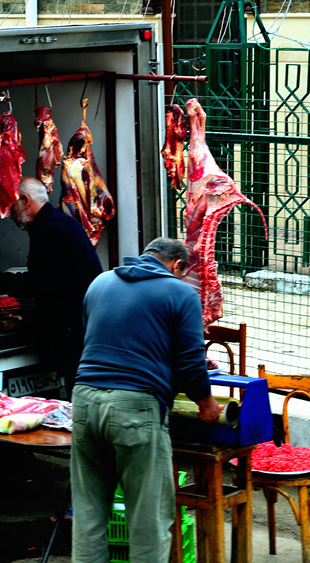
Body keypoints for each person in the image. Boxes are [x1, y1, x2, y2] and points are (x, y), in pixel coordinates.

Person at [71, 237, 221, 563]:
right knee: (148, 519)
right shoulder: (180, 293)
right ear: (177, 265)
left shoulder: (100, 282)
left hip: (84, 401)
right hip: (135, 408)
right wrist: (206, 403)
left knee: (88, 513)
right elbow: (190, 361)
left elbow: (93, 338)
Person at [0, 177, 103, 392]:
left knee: (78, 392)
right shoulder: (53, 223)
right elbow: (45, 273)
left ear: (25, 201)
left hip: (74, 328)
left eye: (13, 208)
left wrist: (3, 284)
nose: (11, 215)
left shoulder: (54, 228)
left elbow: (46, 281)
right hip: (74, 326)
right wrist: (0, 279)